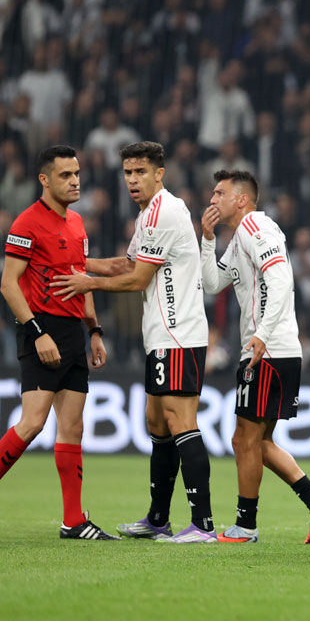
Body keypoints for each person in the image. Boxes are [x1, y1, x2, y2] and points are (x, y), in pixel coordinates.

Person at [51, 141, 214, 543]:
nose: (132, 180)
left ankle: (204, 525)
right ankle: (158, 519)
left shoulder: (164, 211)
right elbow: (128, 264)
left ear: (160, 173)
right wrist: (77, 258)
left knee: (180, 422)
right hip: (161, 336)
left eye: (140, 172)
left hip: (178, 334)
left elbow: (138, 279)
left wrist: (88, 282)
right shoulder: (147, 216)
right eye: (127, 173)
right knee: (156, 423)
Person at [199, 169, 310, 544]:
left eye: (219, 193)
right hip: (270, 349)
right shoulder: (239, 237)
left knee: (244, 439)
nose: (212, 199)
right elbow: (213, 284)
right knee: (257, 441)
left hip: (268, 350)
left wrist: (261, 336)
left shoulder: (255, 228)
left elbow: (281, 281)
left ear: (241, 199)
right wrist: (207, 238)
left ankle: (245, 526)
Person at [0, 144, 116, 540]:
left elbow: (81, 281)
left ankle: (73, 521)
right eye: (66, 175)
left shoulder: (78, 224)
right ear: (44, 180)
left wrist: (95, 330)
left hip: (71, 333)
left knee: (72, 428)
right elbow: (8, 284)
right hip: (40, 329)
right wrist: (36, 332)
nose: (76, 181)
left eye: (78, 173)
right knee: (32, 424)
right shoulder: (27, 222)